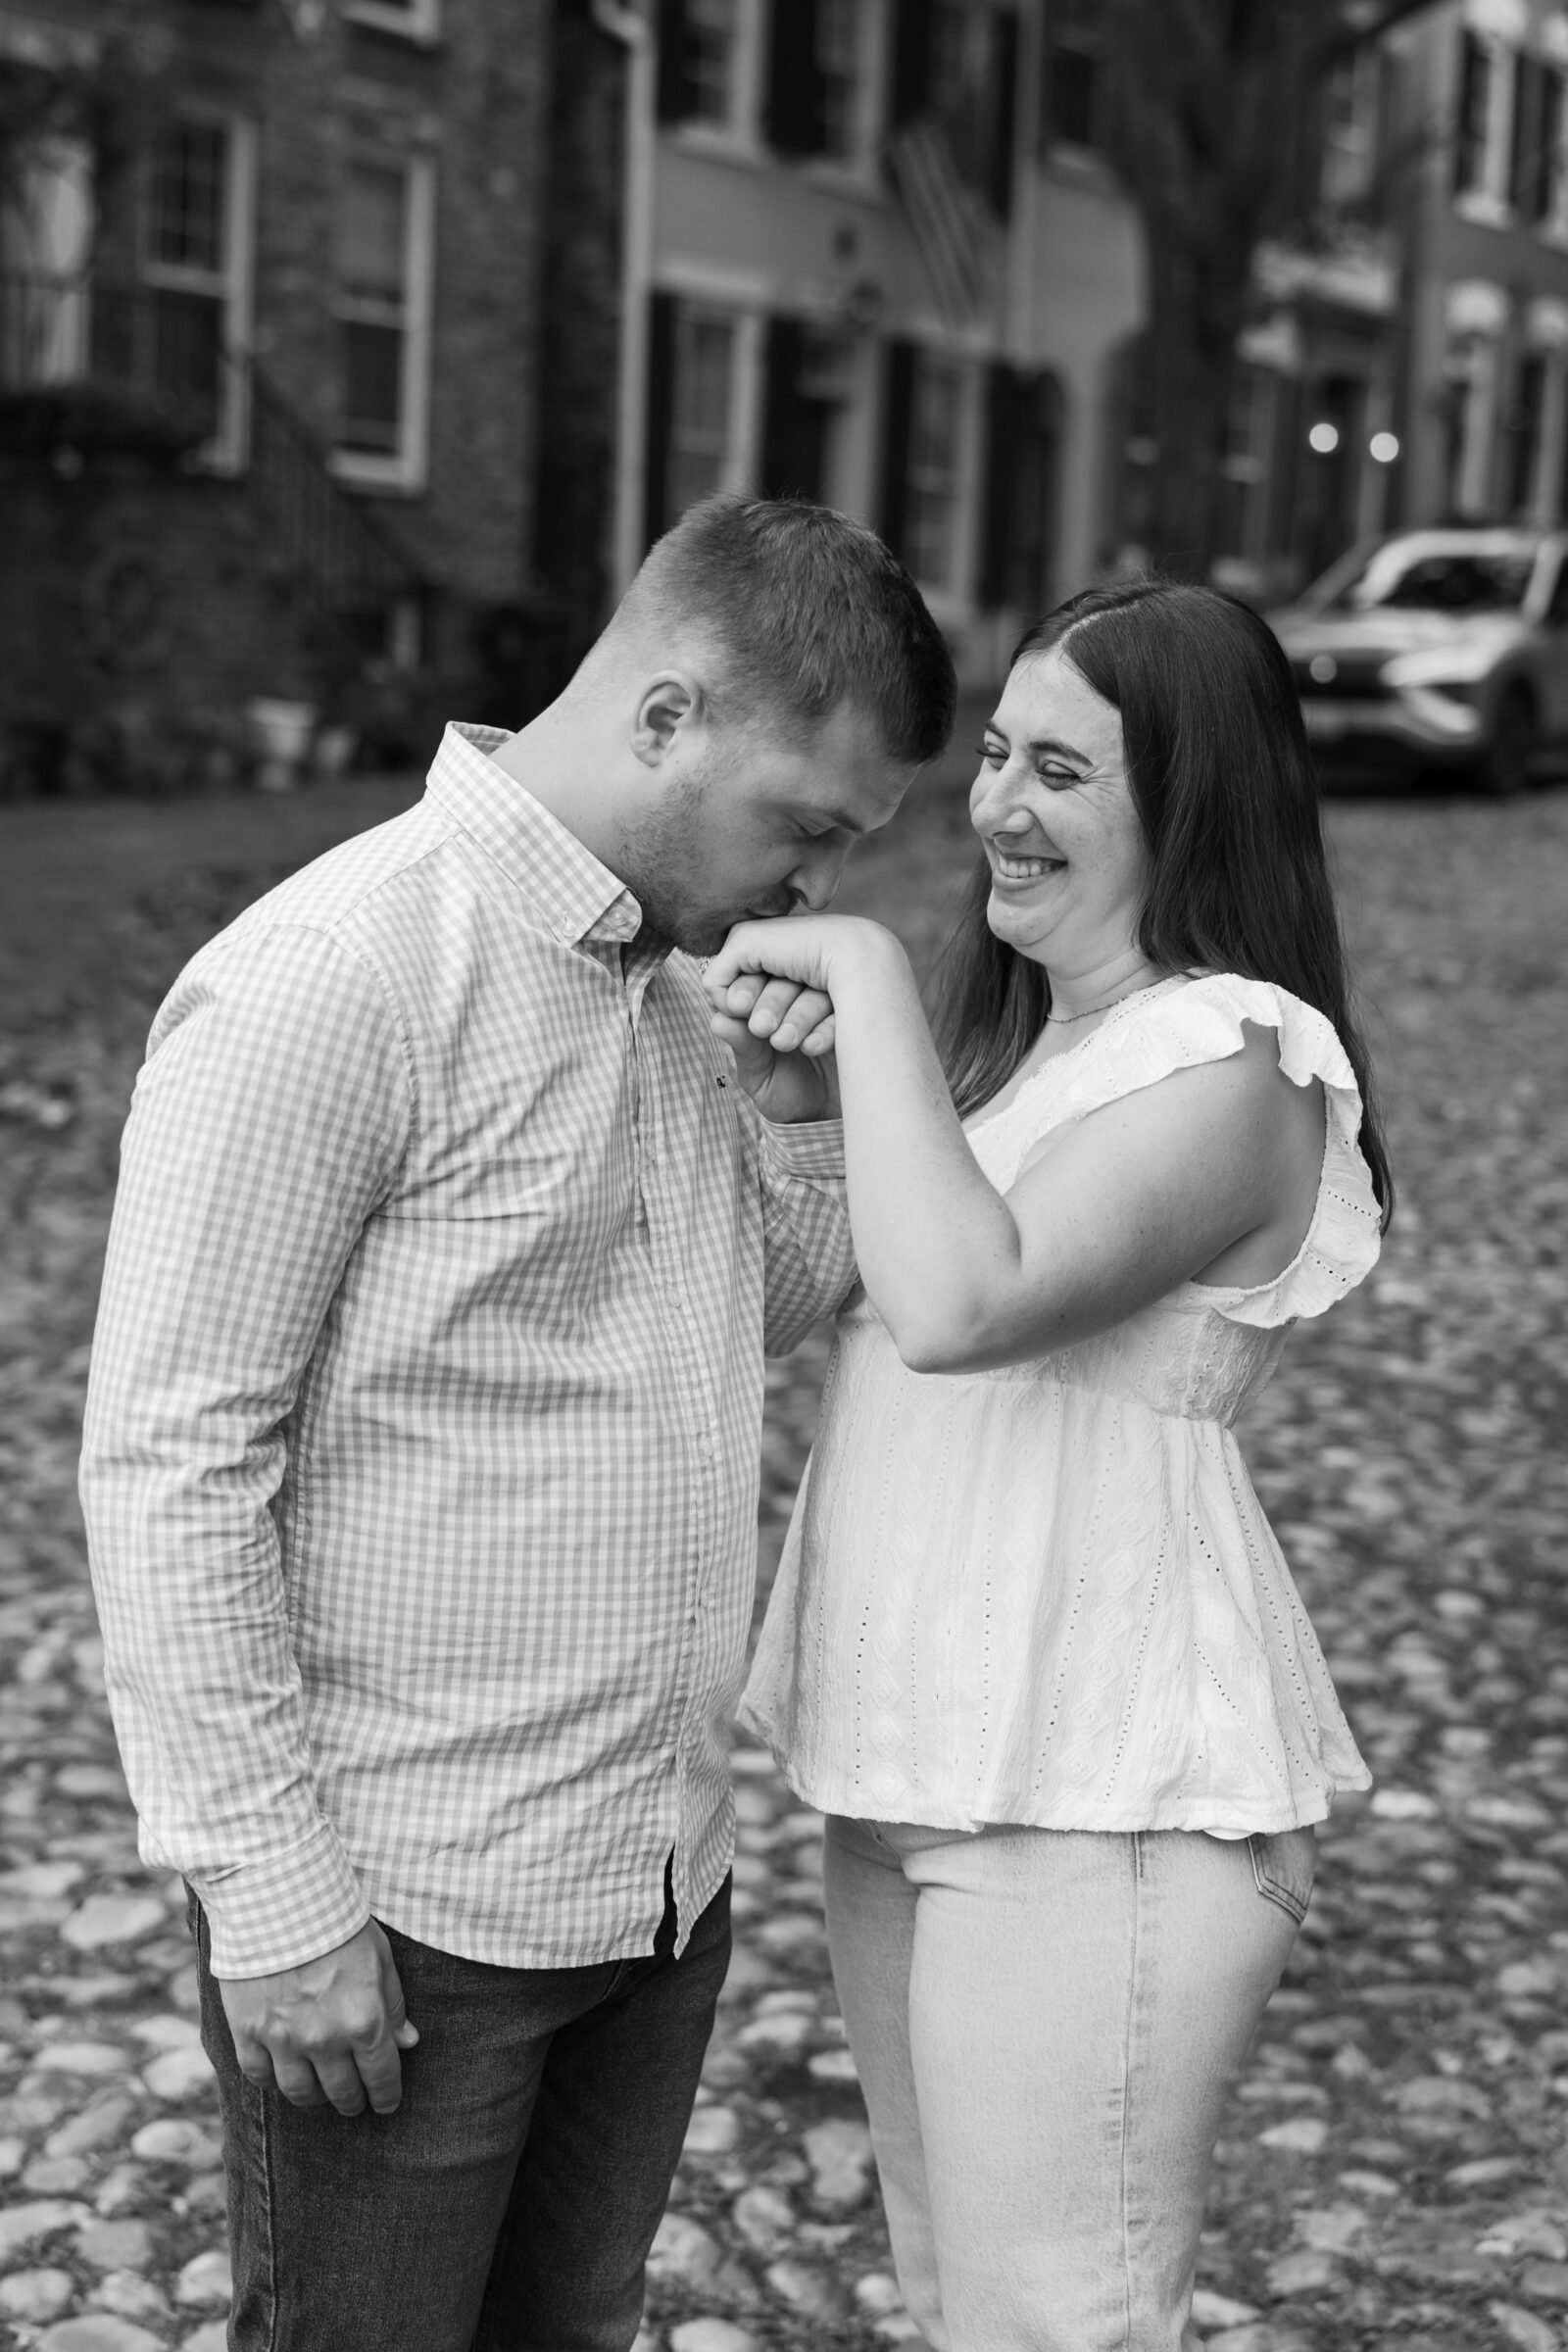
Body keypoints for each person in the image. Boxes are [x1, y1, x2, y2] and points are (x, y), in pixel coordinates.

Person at [77, 494, 955, 2352]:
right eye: (803, 826)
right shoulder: (334, 974)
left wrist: (806, 1109)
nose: (812, 887)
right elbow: (169, 1462)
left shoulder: (674, 980)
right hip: (408, 1919)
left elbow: (758, 1294)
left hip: (653, 1889)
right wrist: (274, 1898)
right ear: (666, 714)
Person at [705, 580, 1391, 2352]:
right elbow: (865, 1291)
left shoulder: (1238, 1056)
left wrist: (860, 979)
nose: (999, 805)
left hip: (1100, 1800)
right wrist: (813, 1118)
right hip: (920, 1761)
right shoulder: (1033, 1059)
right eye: (998, 754)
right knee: (961, 2308)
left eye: (1065, 770)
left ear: (1195, 799)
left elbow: (961, 1303)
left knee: (1055, 2323)